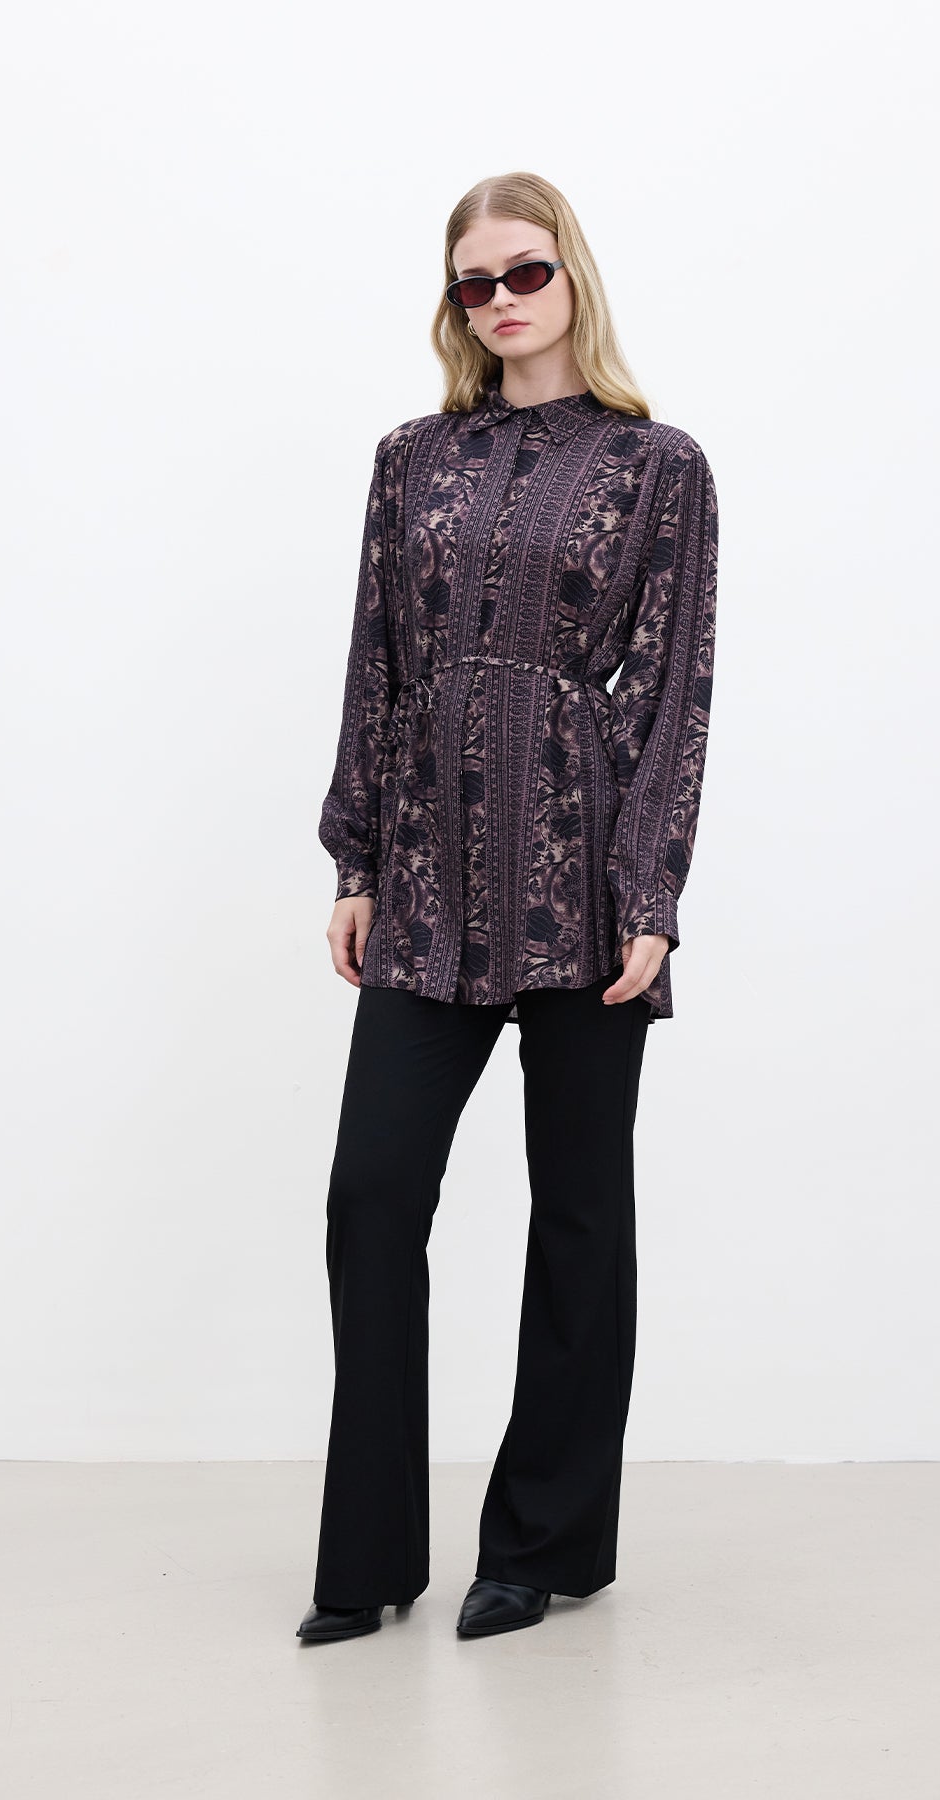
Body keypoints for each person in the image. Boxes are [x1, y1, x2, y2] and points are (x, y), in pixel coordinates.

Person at [297, 170, 718, 1644]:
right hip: (423, 872)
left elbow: (672, 688)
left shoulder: (656, 465)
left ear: (571, 275)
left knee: (580, 1213)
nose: (499, 302)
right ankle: (369, 1559)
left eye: (524, 272)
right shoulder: (410, 460)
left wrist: (650, 891)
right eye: (473, 283)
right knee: (370, 1198)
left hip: (580, 872)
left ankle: (542, 1544)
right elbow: (375, 660)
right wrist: (355, 860)